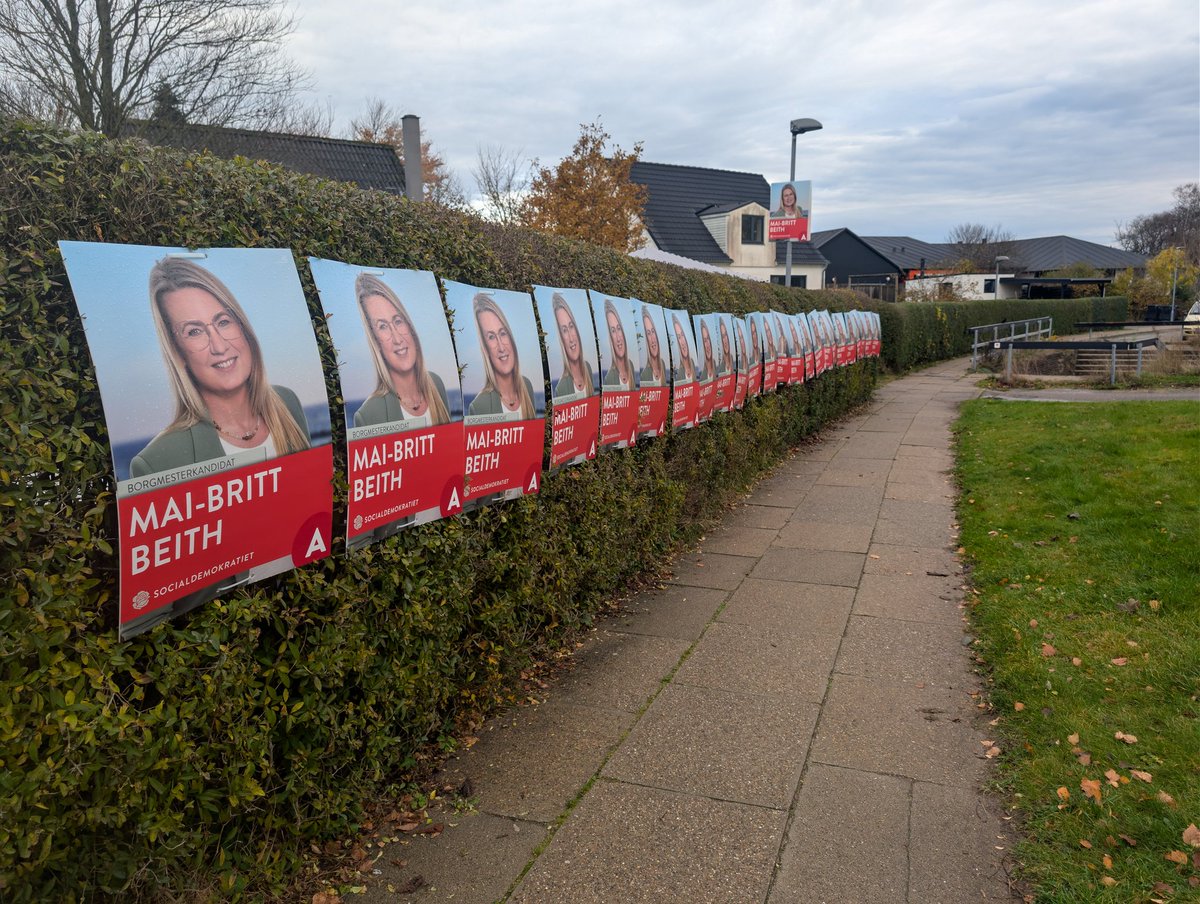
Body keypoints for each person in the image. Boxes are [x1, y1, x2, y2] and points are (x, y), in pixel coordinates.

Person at [132, 256, 310, 476]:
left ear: (243, 327)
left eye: (223, 322)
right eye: (194, 331)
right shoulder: (158, 461)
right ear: (176, 351)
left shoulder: (287, 402)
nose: (219, 346)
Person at [353, 273, 451, 428]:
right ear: (375, 340)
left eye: (398, 321)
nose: (397, 339)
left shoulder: (436, 384)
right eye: (383, 326)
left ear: (409, 325)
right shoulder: (368, 415)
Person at [468, 293, 535, 421]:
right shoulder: (479, 407)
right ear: (485, 347)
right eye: (491, 337)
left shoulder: (527, 386)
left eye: (503, 333)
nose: (501, 347)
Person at [550, 292, 595, 400]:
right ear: (560, 338)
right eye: (564, 330)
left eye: (571, 326)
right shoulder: (561, 388)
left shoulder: (588, 368)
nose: (571, 338)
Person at [601, 298, 634, 389]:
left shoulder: (631, 367)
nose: (618, 338)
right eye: (613, 331)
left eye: (619, 329)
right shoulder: (608, 378)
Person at [639, 305, 666, 386]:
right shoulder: (643, 375)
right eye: (648, 333)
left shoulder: (663, 364)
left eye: (653, 331)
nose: (652, 338)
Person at [671, 314, 696, 382]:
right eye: (678, 337)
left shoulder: (693, 363)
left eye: (682, 335)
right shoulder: (677, 369)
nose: (682, 341)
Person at [698, 318, 715, 383]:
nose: (707, 344)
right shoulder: (701, 375)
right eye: (704, 340)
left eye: (708, 339)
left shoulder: (716, 367)